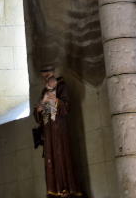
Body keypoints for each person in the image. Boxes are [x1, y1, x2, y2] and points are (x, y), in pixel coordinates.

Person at [33, 65, 82, 197]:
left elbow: (66, 105)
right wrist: (39, 110)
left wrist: (54, 101)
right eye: (44, 78)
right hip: (49, 131)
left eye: (47, 76)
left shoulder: (61, 86)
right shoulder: (44, 92)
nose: (45, 80)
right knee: (51, 157)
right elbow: (39, 114)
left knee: (62, 154)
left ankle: (67, 188)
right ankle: (54, 191)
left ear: (53, 74)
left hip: (60, 128)